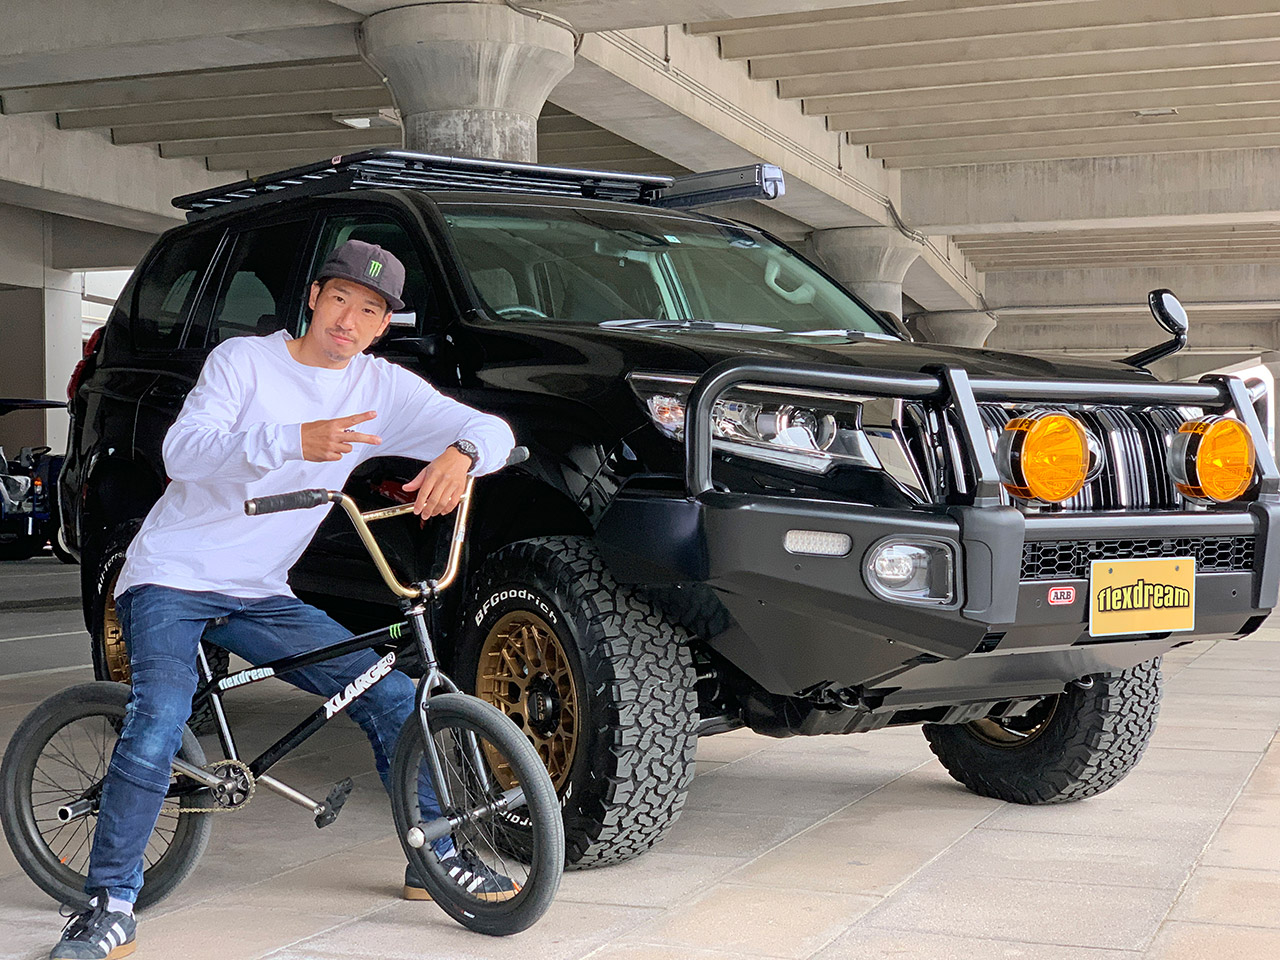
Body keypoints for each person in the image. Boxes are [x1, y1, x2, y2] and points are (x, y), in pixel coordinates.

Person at [50, 240, 516, 960]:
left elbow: (492, 427)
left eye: (370, 310)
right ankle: (109, 902)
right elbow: (183, 452)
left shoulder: (380, 387)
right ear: (314, 298)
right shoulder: (244, 362)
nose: (349, 320)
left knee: (393, 697)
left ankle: (436, 857)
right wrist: (293, 439)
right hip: (172, 574)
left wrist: (463, 456)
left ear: (383, 325)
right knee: (160, 719)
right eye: (340, 299)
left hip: (261, 591)